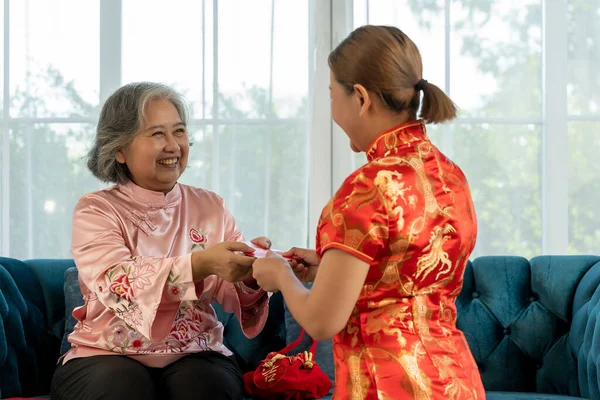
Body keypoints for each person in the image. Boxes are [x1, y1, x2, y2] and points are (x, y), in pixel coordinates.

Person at [252, 25, 486, 399]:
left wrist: (281, 275)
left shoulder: (368, 186)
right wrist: (326, 265)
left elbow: (321, 321)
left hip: (388, 383)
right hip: (457, 379)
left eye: (331, 94)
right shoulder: (449, 173)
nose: (330, 107)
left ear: (360, 97)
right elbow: (410, 271)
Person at [51, 82, 273, 400]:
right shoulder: (96, 209)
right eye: (157, 134)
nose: (173, 146)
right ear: (119, 149)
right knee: (123, 389)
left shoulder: (212, 206)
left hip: (197, 351)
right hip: (104, 354)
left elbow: (231, 289)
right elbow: (118, 281)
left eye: (179, 132)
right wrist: (201, 263)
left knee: (207, 389)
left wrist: (252, 271)